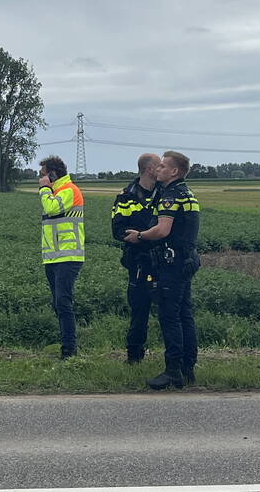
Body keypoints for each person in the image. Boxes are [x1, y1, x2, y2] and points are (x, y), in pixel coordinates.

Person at [125, 150, 200, 389]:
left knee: (170, 316)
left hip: (173, 263)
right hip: (187, 261)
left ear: (174, 171)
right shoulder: (187, 193)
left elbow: (162, 230)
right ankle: (188, 368)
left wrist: (139, 236)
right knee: (185, 314)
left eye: (163, 167)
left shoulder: (171, 195)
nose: (158, 169)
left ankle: (173, 370)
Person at [110, 153, 161, 364]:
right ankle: (134, 357)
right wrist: (144, 238)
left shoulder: (166, 193)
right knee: (139, 311)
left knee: (168, 311)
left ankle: (174, 359)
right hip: (138, 262)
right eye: (160, 166)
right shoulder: (125, 196)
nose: (163, 169)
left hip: (162, 261)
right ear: (150, 169)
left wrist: (140, 234)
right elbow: (118, 229)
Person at [37, 155, 85, 360]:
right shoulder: (58, 191)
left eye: (42, 174)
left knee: (63, 302)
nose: (40, 178)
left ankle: (69, 350)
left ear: (52, 174)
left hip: (69, 255)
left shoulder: (68, 190)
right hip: (53, 257)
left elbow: (51, 208)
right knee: (58, 303)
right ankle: (66, 346)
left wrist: (44, 189)